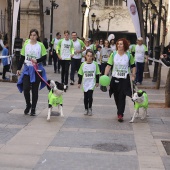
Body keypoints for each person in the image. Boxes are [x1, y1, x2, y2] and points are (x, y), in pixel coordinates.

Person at [16, 29, 47, 116]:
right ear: (29, 36)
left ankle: (33, 108)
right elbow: (22, 57)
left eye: (34, 35)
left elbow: (44, 56)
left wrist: (37, 60)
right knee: (25, 88)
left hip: (37, 70)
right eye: (31, 35)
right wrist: (18, 68)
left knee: (34, 90)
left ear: (37, 36)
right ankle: (28, 104)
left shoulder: (40, 45)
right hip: (27, 69)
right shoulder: (26, 44)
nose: (33, 37)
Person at [104, 38, 136, 122]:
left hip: (124, 79)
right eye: (118, 44)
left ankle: (120, 114)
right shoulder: (113, 54)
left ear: (124, 45)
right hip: (115, 78)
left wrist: (133, 75)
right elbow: (108, 66)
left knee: (122, 96)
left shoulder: (129, 55)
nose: (119, 45)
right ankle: (119, 110)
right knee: (116, 96)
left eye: (121, 44)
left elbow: (133, 66)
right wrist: (105, 76)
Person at [78, 49, 100, 116]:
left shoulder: (95, 64)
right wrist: (79, 83)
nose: (89, 57)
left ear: (93, 57)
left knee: (90, 96)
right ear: (85, 56)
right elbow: (81, 74)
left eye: (91, 56)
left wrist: (97, 82)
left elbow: (97, 73)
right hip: (85, 83)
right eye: (88, 56)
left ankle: (90, 108)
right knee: (85, 97)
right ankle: (86, 108)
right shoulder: (83, 64)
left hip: (91, 83)